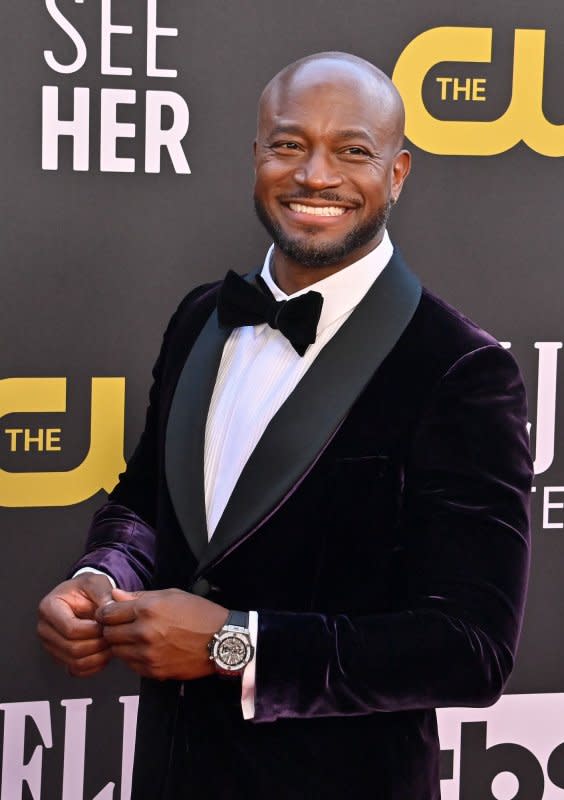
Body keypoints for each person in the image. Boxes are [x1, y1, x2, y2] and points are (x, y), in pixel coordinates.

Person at [37, 52, 533, 800]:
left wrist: (235, 643)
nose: (314, 177)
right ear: (257, 155)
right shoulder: (201, 316)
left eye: (353, 150)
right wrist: (99, 580)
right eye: (290, 144)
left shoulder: (459, 369)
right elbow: (144, 501)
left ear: (398, 173)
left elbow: (471, 649)